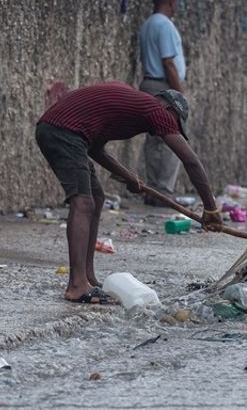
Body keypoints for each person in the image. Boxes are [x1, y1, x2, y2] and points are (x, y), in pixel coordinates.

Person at [36, 82, 223, 303]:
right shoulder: (156, 110)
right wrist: (211, 208)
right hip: (63, 131)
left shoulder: (137, 110)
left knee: (96, 197)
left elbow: (95, 149)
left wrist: (128, 177)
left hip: (60, 130)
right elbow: (190, 161)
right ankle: (77, 286)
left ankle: (87, 277)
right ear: (169, 109)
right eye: (174, 124)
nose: (169, 130)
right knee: (83, 202)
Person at [137, 0, 188, 204]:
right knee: (173, 137)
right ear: (170, 2)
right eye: (176, 3)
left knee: (154, 140)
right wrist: (179, 93)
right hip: (163, 86)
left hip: (149, 84)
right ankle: (164, 191)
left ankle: (153, 190)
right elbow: (168, 62)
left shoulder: (147, 24)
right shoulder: (164, 25)